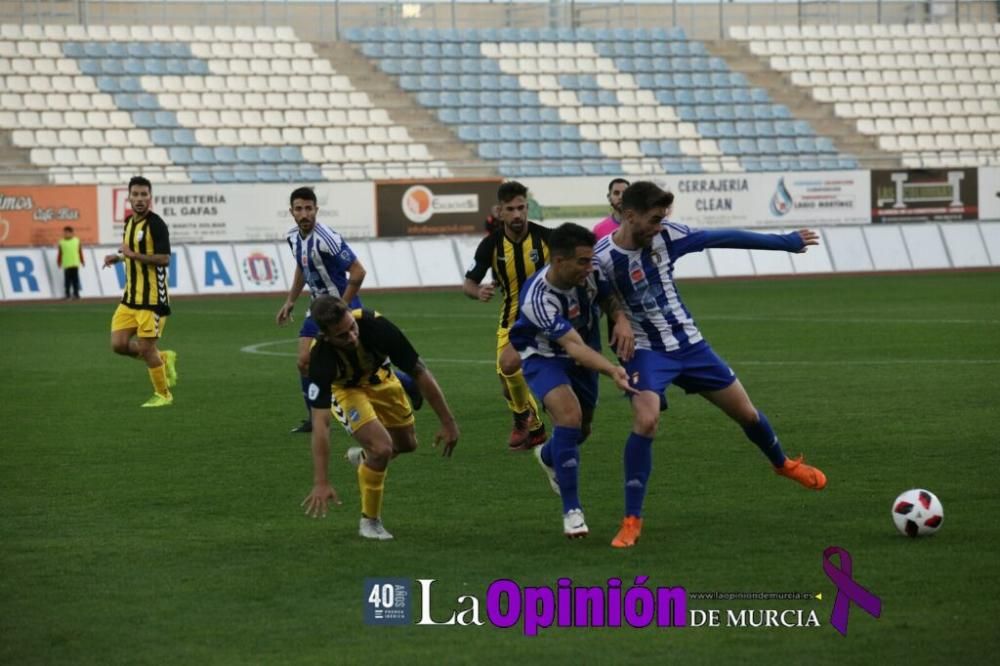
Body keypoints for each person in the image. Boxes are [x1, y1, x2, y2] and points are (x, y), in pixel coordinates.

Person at [593, 181, 828, 549]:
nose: (659, 226)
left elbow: (723, 237)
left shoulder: (668, 235)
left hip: (690, 346)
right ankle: (631, 520)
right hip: (645, 352)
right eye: (653, 220)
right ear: (628, 216)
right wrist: (618, 315)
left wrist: (785, 242)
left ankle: (783, 464)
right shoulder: (602, 257)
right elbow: (597, 295)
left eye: (662, 219)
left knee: (747, 414)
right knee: (646, 419)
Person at [510, 223, 636, 538]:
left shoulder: (591, 272)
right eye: (581, 261)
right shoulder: (537, 298)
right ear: (558, 261)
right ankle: (572, 511)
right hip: (544, 356)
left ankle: (548, 455)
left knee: (580, 431)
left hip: (585, 351)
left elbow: (608, 299)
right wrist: (613, 370)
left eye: (590, 260)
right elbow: (574, 348)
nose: (589, 267)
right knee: (569, 417)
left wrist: (620, 319)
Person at [300, 295, 460, 540]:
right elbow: (320, 423)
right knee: (383, 449)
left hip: (382, 379)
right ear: (326, 336)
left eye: (351, 328)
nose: (352, 336)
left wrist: (448, 423)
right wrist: (321, 481)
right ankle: (370, 521)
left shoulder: (375, 325)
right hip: (345, 391)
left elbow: (419, 371)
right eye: (342, 335)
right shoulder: (320, 358)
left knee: (407, 445)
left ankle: (364, 458)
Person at [276, 186, 420, 434]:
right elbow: (302, 267)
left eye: (309, 208)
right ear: (291, 212)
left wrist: (342, 306)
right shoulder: (292, 237)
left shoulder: (327, 238)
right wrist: (291, 300)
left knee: (365, 364)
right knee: (303, 361)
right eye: (299, 209)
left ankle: (406, 381)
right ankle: (314, 416)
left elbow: (358, 270)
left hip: (344, 306)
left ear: (316, 209)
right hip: (318, 308)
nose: (304, 214)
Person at [463, 181, 549, 451]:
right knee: (506, 384)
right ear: (499, 212)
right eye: (510, 209)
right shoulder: (490, 245)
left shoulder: (547, 238)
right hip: (510, 319)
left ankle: (522, 418)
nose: (517, 214)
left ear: (527, 207)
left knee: (509, 366)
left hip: (543, 317)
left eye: (521, 208)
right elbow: (468, 283)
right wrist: (478, 292)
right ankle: (535, 430)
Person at [102, 176, 177, 408]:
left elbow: (164, 259)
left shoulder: (156, 224)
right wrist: (119, 257)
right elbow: (133, 250)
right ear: (129, 197)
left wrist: (132, 255)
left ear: (150, 197)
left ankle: (163, 394)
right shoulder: (129, 223)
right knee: (119, 345)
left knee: (146, 348)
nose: (140, 199)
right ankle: (163, 358)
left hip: (152, 300)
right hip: (130, 298)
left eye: (144, 194)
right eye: (135, 194)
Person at [57, 225, 84, 299]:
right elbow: (60, 253)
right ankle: (67, 294)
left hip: (75, 264)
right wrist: (58, 262)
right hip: (67, 264)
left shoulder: (76, 240)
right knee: (67, 281)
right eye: (65, 233)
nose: (66, 234)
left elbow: (80, 251)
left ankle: (76, 294)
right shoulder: (61, 242)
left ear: (72, 233)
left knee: (75, 280)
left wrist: (82, 261)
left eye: (68, 233)